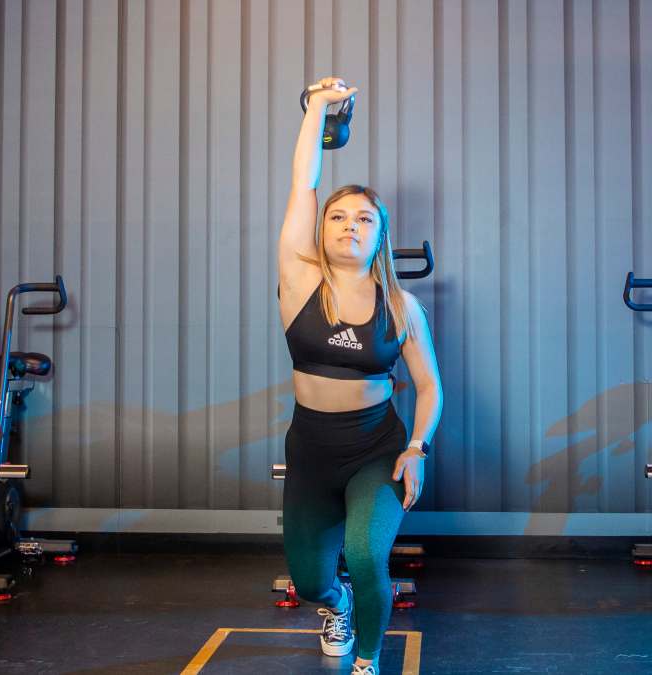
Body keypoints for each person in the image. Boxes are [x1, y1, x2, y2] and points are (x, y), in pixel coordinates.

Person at [277, 76, 443, 675]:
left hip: (377, 448)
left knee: (367, 554)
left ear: (380, 235)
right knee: (311, 580)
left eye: (365, 218)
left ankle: (367, 661)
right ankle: (337, 604)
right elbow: (304, 184)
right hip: (312, 450)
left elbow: (429, 387)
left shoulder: (402, 306)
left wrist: (417, 447)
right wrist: (319, 108)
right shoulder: (300, 284)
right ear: (321, 232)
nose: (350, 224)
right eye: (339, 217)